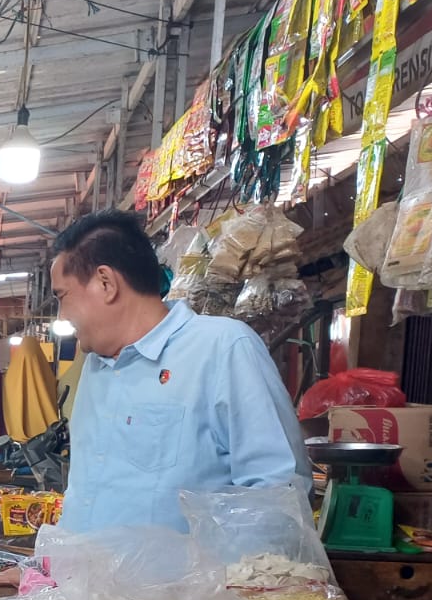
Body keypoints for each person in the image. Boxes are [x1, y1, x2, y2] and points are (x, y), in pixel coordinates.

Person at [50, 209, 308, 533]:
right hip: (82, 582)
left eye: (63, 296)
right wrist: (49, 567)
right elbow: (86, 494)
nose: (62, 314)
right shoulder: (96, 367)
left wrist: (208, 576)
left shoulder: (221, 347)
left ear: (105, 283)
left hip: (188, 584)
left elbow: (276, 493)